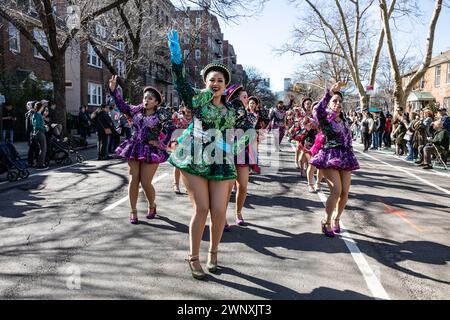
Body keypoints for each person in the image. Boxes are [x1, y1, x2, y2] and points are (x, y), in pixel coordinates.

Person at [168, 29, 243, 279]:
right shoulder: (198, 100)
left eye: (220, 80)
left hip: (221, 161)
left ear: (225, 85)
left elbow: (235, 135)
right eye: (212, 80)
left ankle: (213, 253)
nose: (216, 83)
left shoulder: (231, 110)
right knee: (201, 209)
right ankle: (193, 256)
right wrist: (176, 56)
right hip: (196, 157)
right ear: (205, 82)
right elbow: (179, 82)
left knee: (220, 212)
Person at [109, 75, 174, 224]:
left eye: (150, 98)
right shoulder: (136, 111)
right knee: (133, 180)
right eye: (145, 97)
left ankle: (152, 205)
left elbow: (171, 128)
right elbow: (122, 106)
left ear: (156, 102)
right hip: (135, 147)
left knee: (145, 183)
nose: (146, 100)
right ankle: (133, 211)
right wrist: (114, 90)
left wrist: (160, 142)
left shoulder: (161, 115)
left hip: (151, 150)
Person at [310, 82, 360, 237]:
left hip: (345, 157)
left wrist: (350, 155)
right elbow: (318, 110)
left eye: (340, 101)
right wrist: (330, 92)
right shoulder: (325, 119)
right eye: (335, 101)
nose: (338, 103)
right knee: (336, 191)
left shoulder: (345, 121)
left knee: (345, 193)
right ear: (330, 104)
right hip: (329, 156)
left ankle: (336, 219)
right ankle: (325, 220)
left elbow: (348, 140)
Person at [225, 84, 258, 228]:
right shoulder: (227, 112)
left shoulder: (251, 116)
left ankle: (238, 212)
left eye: (246, 97)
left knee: (243, 186)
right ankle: (222, 216)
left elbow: (249, 131)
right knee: (227, 188)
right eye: (244, 97)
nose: (247, 100)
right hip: (227, 152)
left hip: (243, 153)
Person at [170, 103, 193, 194]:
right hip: (178, 142)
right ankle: (176, 184)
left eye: (191, 110)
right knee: (177, 164)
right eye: (187, 109)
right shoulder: (178, 116)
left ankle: (188, 186)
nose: (188, 112)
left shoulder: (196, 118)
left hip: (191, 144)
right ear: (184, 108)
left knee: (188, 165)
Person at [32, 102, 48, 170]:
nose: (43, 108)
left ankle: (40, 163)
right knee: (43, 149)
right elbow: (37, 126)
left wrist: (44, 126)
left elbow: (37, 125)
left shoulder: (36, 114)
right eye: (42, 107)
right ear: (40, 107)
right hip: (39, 133)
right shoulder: (37, 115)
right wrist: (45, 128)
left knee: (41, 149)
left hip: (37, 133)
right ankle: (40, 165)